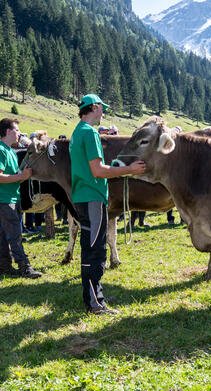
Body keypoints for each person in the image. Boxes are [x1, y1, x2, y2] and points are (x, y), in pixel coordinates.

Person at [70, 94, 146, 314]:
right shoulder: (90, 133)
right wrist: (128, 170)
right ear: (93, 108)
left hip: (82, 196)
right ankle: (95, 303)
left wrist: (112, 167)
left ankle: (96, 295)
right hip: (93, 197)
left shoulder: (77, 132)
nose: (103, 114)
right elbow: (98, 171)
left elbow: (93, 167)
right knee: (95, 251)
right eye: (102, 109)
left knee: (90, 247)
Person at [0, 117, 42, 278]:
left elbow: (13, 175)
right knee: (15, 235)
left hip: (12, 198)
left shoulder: (10, 151)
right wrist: (21, 176)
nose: (19, 133)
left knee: (5, 235)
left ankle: (4, 267)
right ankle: (24, 266)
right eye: (17, 130)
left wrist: (24, 173)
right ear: (8, 131)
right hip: (4, 199)